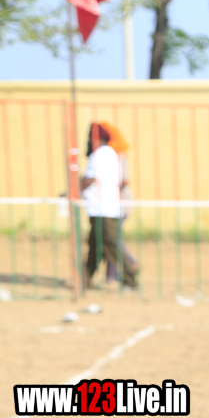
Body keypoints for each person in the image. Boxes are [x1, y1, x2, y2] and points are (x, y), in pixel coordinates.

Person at [80, 123, 138, 291]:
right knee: (95, 246)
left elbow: (89, 179)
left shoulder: (101, 154)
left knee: (110, 244)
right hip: (101, 208)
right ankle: (84, 281)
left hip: (103, 209)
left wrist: (73, 190)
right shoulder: (109, 153)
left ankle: (131, 277)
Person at [98, 121, 140, 286]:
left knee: (112, 240)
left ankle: (125, 268)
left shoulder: (118, 155)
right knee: (110, 239)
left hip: (119, 204)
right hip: (109, 205)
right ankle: (114, 274)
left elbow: (124, 180)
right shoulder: (105, 155)